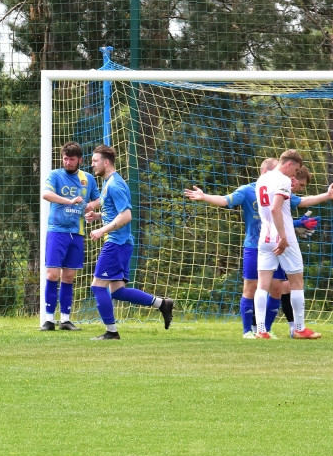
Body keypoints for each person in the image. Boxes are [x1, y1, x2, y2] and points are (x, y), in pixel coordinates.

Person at [183, 159, 328, 338]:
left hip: (265, 239)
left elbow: (300, 202)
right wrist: (205, 197)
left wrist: (299, 221)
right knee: (253, 287)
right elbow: (225, 200)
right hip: (257, 244)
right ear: (267, 171)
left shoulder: (274, 186)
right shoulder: (250, 189)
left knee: (276, 287)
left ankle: (264, 330)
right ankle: (249, 331)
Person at [85, 144, 174, 340]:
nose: (92, 165)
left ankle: (111, 332)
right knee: (117, 291)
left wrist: (102, 230)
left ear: (106, 162)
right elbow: (115, 213)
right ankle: (162, 304)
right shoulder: (110, 183)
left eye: (95, 161)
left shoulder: (115, 185)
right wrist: (98, 216)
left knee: (98, 286)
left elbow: (126, 216)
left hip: (116, 243)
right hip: (121, 243)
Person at [252, 150, 322, 340]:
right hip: (283, 236)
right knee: (296, 282)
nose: (295, 175)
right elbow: (276, 208)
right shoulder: (282, 179)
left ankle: (260, 330)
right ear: (289, 164)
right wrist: (283, 237)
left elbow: (270, 207)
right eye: (296, 169)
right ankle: (299, 328)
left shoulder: (262, 179)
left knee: (263, 284)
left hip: (264, 235)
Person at [39, 141, 100, 331]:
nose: (67, 162)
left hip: (77, 232)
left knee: (69, 276)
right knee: (52, 274)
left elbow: (98, 198)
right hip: (57, 230)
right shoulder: (55, 175)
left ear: (80, 160)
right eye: (65, 159)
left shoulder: (88, 178)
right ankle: (49, 319)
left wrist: (91, 208)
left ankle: (65, 319)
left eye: (71, 159)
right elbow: (46, 195)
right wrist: (69, 201)